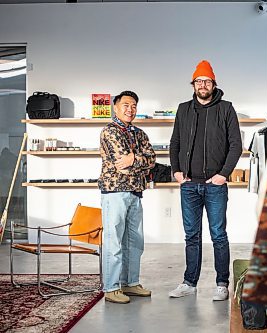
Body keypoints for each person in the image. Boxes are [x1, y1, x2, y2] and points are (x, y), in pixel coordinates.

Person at [169, 60, 242, 301]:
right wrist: (176, 171)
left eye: (207, 81)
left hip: (214, 184)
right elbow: (175, 143)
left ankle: (222, 283)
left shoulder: (226, 108)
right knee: (192, 235)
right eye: (199, 81)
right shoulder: (183, 109)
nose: (203, 85)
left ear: (213, 84)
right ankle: (189, 282)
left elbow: (236, 145)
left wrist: (223, 174)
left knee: (218, 234)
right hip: (189, 184)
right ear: (193, 84)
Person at [98, 90, 156, 304]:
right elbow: (121, 164)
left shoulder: (140, 133)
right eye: (126, 105)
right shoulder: (109, 131)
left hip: (136, 192)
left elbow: (152, 159)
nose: (130, 109)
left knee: (135, 242)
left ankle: (130, 283)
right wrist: (137, 159)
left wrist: (135, 159)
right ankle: (112, 287)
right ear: (115, 106)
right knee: (114, 241)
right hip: (115, 191)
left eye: (133, 106)